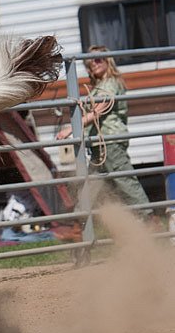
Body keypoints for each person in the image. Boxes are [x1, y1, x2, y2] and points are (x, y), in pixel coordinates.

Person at [56, 45, 153, 218]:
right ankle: (79, 223)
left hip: (110, 142)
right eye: (91, 60)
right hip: (100, 144)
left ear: (108, 61)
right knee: (92, 185)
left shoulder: (110, 82)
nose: (95, 63)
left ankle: (148, 219)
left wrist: (73, 127)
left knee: (124, 182)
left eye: (99, 58)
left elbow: (101, 109)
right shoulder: (99, 85)